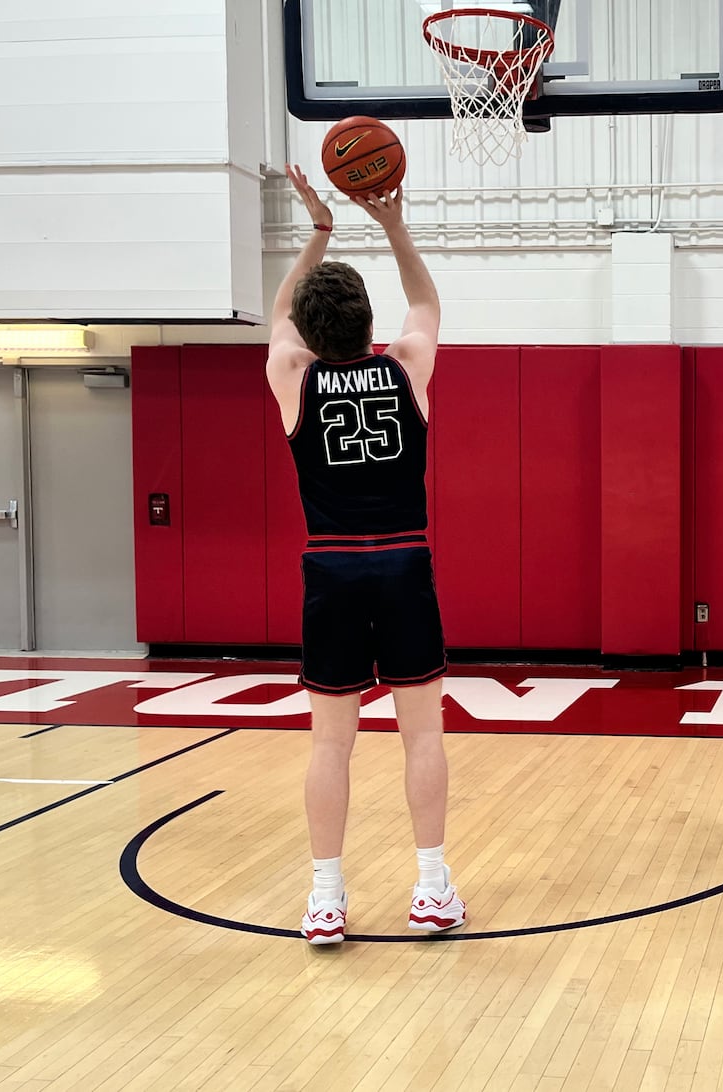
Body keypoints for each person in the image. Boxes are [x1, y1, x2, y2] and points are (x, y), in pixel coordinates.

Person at [265, 166, 468, 944]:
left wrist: (318, 231)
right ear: (365, 324)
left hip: (333, 567)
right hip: (404, 563)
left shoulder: (291, 376)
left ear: (311, 337)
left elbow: (282, 310)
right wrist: (391, 224)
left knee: (330, 743)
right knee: (422, 734)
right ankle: (429, 889)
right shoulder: (406, 364)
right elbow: (426, 304)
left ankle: (325, 899)